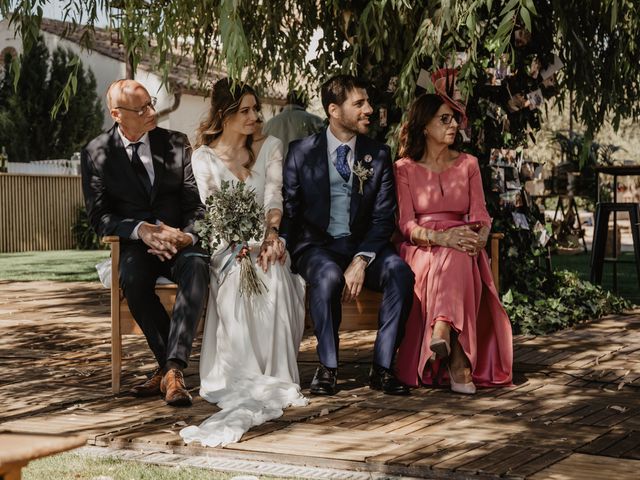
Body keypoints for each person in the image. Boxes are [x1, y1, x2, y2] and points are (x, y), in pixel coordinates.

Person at [179, 78, 307, 447]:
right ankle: (242, 372)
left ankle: (275, 371)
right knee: (236, 278)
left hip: (266, 238)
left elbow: (273, 194)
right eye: (245, 110)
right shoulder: (202, 156)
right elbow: (215, 206)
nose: (255, 117)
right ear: (225, 115)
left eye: (256, 109)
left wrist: (270, 237)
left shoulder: (271, 146)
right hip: (227, 245)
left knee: (277, 271)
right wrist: (239, 245)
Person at [281, 74, 414, 396]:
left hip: (364, 246)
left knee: (400, 273)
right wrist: (282, 243)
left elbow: (384, 218)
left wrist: (361, 259)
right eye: (359, 103)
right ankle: (327, 368)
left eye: (367, 102)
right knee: (326, 278)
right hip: (317, 246)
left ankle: (382, 367)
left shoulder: (378, 154)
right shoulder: (300, 152)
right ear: (334, 110)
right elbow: (290, 209)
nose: (369, 109)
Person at [81, 79, 209, 407]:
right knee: (133, 280)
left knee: (197, 266)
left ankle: (170, 370)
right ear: (117, 115)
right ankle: (173, 373)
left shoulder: (176, 144)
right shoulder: (96, 153)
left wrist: (187, 235)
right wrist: (140, 230)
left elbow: (196, 204)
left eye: (151, 104)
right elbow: (100, 217)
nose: (152, 113)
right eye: (142, 109)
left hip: (180, 241)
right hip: (137, 245)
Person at [393, 93, 513, 394]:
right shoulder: (404, 168)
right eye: (444, 119)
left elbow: (481, 214)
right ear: (424, 126)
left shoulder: (468, 164)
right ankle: (458, 362)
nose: (453, 125)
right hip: (423, 247)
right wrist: (439, 237)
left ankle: (443, 329)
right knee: (452, 252)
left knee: (458, 253)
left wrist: (480, 237)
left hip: (462, 242)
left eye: (455, 119)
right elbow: (406, 224)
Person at [263, 90, 324, 157]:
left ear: (287, 102)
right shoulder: (315, 121)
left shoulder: (270, 124)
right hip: (305, 165)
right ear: (305, 103)